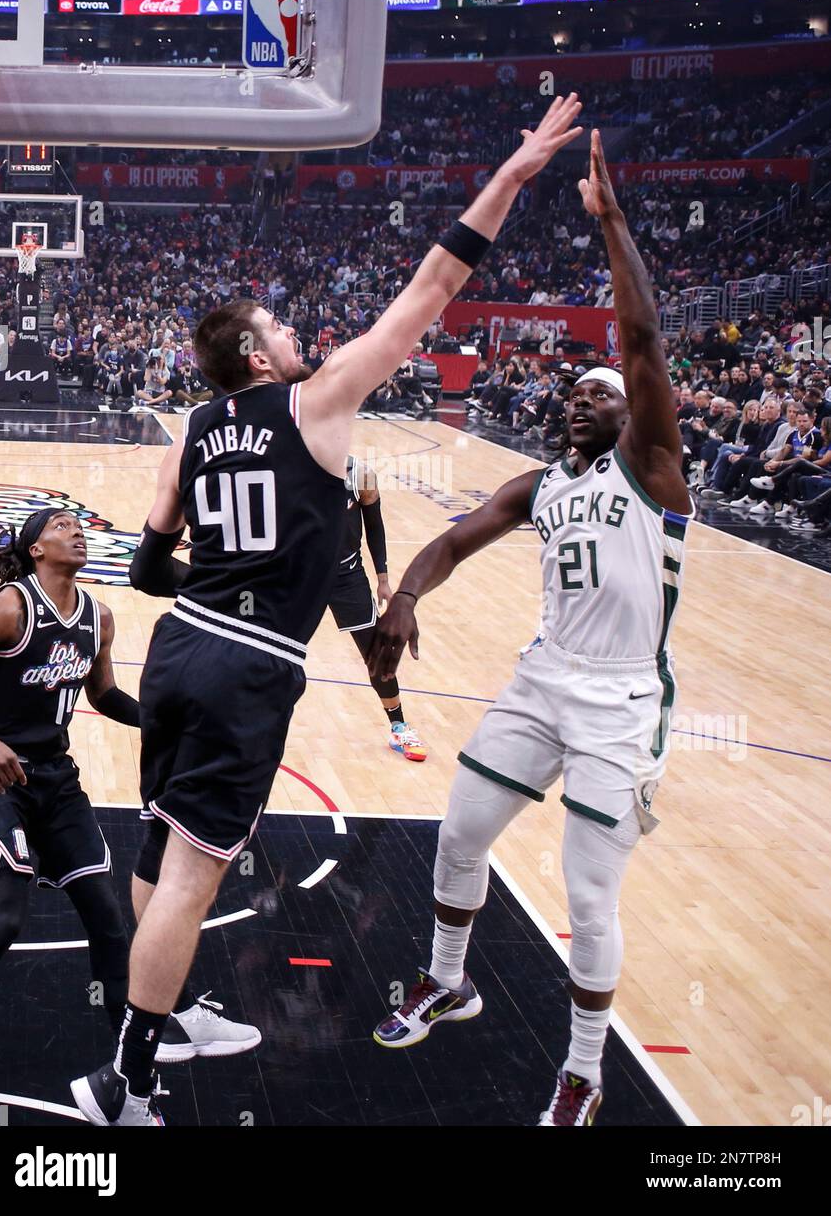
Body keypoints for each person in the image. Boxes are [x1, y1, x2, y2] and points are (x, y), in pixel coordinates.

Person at [69, 93, 585, 1127]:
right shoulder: (315, 401)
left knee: (154, 848)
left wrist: (215, 583)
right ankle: (128, 1079)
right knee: (192, 878)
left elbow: (154, 563)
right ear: (258, 356)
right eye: (279, 326)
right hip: (246, 666)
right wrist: (514, 171)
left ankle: (158, 1020)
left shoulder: (190, 431)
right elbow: (435, 281)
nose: (296, 330)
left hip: (180, 651)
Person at [368, 131, 693, 1127]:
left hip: (617, 699)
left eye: (595, 391)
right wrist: (406, 596)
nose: (579, 397)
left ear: (626, 409)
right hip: (541, 678)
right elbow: (454, 540)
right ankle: (446, 979)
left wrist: (611, 225)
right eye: (574, 391)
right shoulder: (538, 483)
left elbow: (638, 346)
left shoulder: (654, 470)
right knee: (459, 833)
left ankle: (583, 1072)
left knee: (588, 900)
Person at [0, 511, 137, 1049]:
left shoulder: (99, 617)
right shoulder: (8, 609)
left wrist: (165, 719)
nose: (78, 530)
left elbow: (104, 695)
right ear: (35, 548)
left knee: (109, 920)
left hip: (57, 782)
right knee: (5, 922)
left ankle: (133, 1070)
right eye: (63, 525)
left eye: (81, 525)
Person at [325, 456, 425, 761]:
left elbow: (374, 526)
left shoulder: (359, 474)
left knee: (377, 654)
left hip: (346, 576)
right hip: (299, 575)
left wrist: (383, 579)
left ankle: (399, 728)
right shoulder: (290, 466)